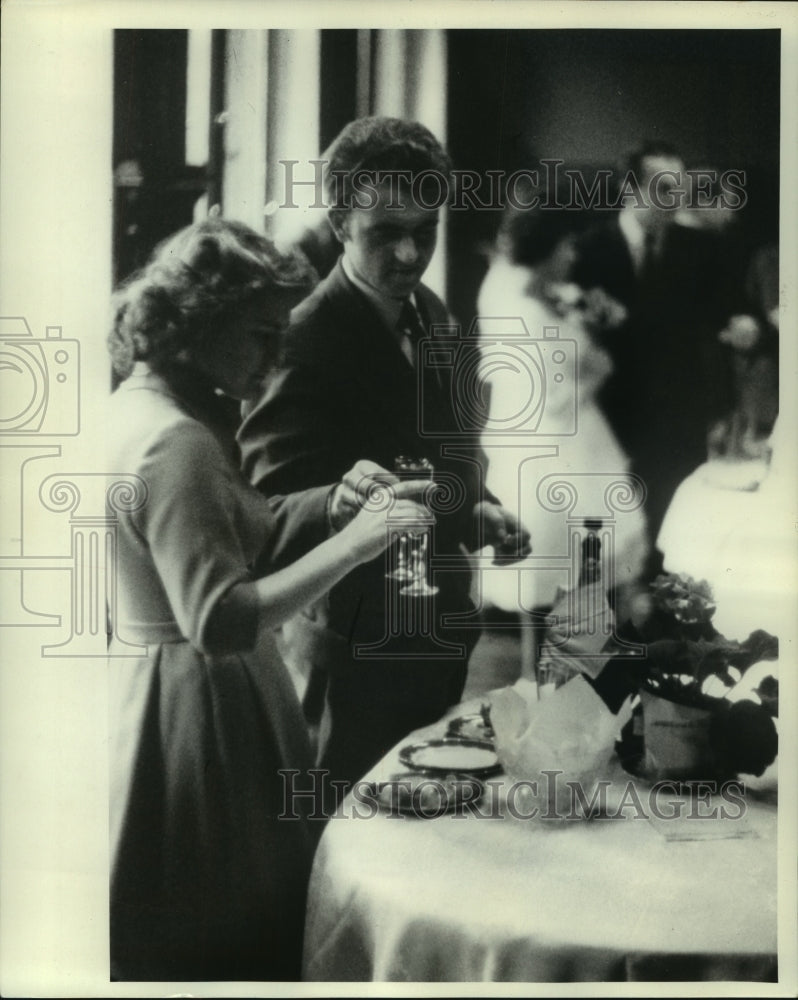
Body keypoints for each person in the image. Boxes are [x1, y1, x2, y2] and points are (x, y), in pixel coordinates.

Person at [106, 217, 431, 981]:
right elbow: (219, 619)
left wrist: (333, 505)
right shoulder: (177, 441)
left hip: (151, 689)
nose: (275, 356)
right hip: (205, 699)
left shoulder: (139, 407)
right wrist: (356, 546)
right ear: (199, 322)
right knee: (233, 913)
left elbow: (227, 528)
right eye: (260, 334)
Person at [238, 116, 529, 790]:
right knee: (341, 837)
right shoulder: (300, 339)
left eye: (424, 232)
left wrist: (476, 512)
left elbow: (443, 454)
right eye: (385, 233)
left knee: (428, 818)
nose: (408, 255)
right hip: (352, 652)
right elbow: (265, 512)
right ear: (340, 223)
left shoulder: (431, 311)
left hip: (440, 635)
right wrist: (336, 504)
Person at [477, 192, 648, 613]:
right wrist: (594, 367)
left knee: (586, 555)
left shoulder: (543, 293)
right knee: (554, 550)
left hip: (575, 430)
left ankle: (579, 652)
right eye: (568, 244)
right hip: (548, 439)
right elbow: (548, 396)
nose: (574, 254)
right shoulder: (516, 306)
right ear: (547, 246)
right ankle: (548, 657)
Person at [572, 141, 743, 560]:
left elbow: (731, 307)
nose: (678, 200)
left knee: (667, 524)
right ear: (631, 190)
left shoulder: (699, 247)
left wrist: (745, 324)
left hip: (676, 413)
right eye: (666, 189)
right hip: (609, 413)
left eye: (681, 189)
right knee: (605, 528)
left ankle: (658, 613)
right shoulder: (588, 247)